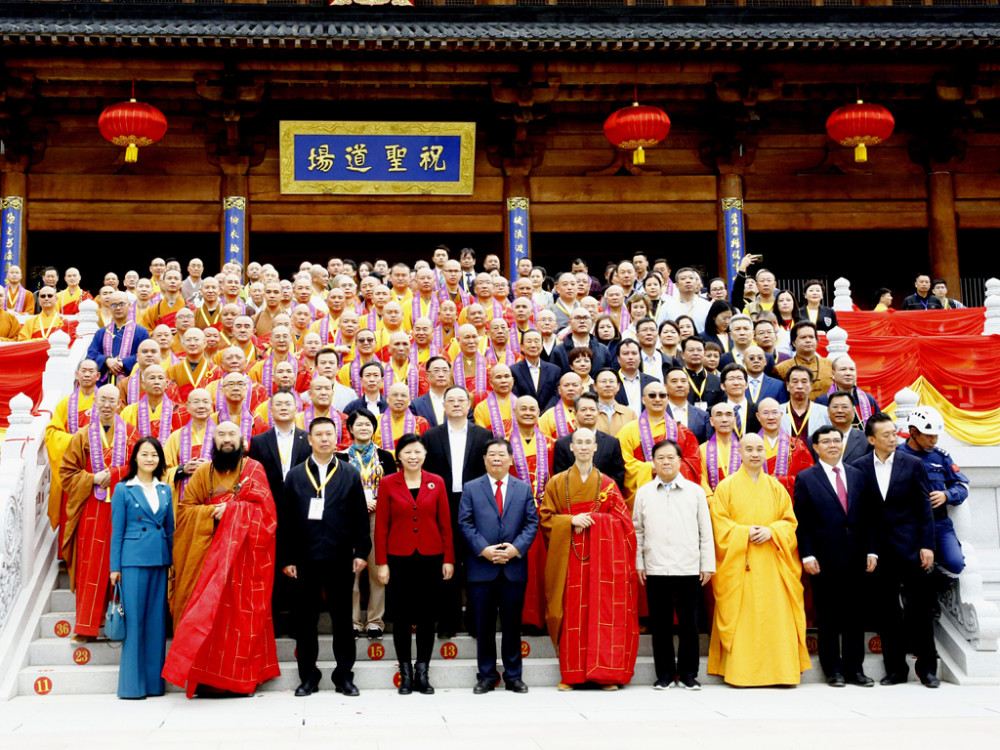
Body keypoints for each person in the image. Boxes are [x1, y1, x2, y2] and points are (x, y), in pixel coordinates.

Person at [163, 422, 280, 697]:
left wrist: (232, 509)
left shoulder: (254, 470)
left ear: (243, 441)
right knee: (208, 619)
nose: (227, 440)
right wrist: (211, 513)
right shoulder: (204, 472)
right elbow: (185, 511)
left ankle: (239, 681)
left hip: (243, 559)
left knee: (241, 620)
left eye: (232, 435)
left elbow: (267, 515)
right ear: (213, 441)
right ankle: (206, 679)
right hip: (207, 559)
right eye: (222, 435)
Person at [278, 417, 372, 697]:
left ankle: (344, 675)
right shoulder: (295, 475)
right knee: (305, 621)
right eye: (318, 434)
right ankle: (308, 676)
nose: (323, 439)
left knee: (343, 620)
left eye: (328, 434)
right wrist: (287, 558)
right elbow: (286, 520)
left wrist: (361, 552)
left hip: (339, 556)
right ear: (309, 440)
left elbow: (359, 517)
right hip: (304, 559)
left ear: (336, 437)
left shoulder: (348, 473)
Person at [708, 433, 811, 686]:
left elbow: (790, 523)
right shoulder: (726, 487)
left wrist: (772, 531)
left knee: (775, 617)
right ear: (739, 453)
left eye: (759, 449)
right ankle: (741, 673)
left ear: (765, 453)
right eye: (749, 449)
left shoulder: (776, 487)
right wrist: (744, 532)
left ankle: (781, 672)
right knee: (744, 618)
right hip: (740, 564)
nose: (755, 454)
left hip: (773, 563)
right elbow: (719, 525)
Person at [539, 428, 639, 690]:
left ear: (595, 447)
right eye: (578, 443)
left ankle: (605, 674)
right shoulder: (557, 482)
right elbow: (545, 518)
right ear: (571, 447)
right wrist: (570, 520)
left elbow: (624, 523)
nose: (583, 447)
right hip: (568, 557)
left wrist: (597, 521)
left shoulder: (607, 484)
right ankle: (571, 675)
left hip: (603, 562)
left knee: (601, 612)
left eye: (588, 443)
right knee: (571, 613)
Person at [851, 413, 939, 687]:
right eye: (886, 435)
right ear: (871, 439)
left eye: (894, 433)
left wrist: (927, 545)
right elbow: (861, 514)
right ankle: (896, 670)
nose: (893, 438)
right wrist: (868, 550)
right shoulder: (859, 467)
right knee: (887, 613)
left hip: (911, 546)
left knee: (920, 610)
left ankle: (927, 670)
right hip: (879, 552)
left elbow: (924, 508)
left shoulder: (912, 464)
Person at [794, 425, 878, 688]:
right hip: (824, 557)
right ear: (815, 447)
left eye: (836, 440)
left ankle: (856, 669)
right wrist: (807, 554)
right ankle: (833, 670)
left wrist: (872, 549)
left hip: (856, 555)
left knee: (855, 615)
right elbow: (802, 521)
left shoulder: (859, 475)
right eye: (826, 441)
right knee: (828, 616)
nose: (832, 445)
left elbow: (869, 517)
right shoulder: (806, 478)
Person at [375, 433, 455, 695]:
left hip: (431, 558)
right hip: (399, 559)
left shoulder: (436, 482)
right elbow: (381, 527)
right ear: (398, 456)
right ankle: (406, 672)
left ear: (424, 455)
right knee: (401, 619)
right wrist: (382, 563)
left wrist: (449, 559)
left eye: (418, 451)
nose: (413, 456)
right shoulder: (388, 483)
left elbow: (445, 523)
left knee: (427, 618)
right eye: (408, 452)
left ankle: (423, 671)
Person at [58, 384, 138, 642]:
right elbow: (66, 473)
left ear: (119, 404)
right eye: (102, 399)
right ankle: (86, 626)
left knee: (122, 565)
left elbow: (143, 465)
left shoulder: (132, 434)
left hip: (124, 508)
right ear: (96, 403)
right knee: (90, 566)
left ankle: (121, 623)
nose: (106, 404)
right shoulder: (82, 436)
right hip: (92, 508)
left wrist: (114, 475)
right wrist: (93, 479)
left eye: (111, 400)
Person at [633, 439, 715, 690]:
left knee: (690, 624)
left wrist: (707, 564)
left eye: (671, 457)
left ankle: (689, 674)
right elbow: (637, 530)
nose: (666, 461)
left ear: (680, 461)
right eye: (661, 457)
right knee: (661, 624)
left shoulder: (695, 491)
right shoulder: (644, 493)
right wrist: (639, 562)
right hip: (656, 567)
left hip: (688, 567)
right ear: (653, 463)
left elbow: (705, 530)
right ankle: (665, 674)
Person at [459, 438, 539, 694]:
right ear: (484, 459)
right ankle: (486, 675)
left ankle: (513, 676)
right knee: (483, 625)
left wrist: (516, 549)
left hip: (513, 566)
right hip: (481, 567)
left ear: (511, 459)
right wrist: (484, 549)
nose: (496, 458)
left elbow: (531, 523)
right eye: (491, 454)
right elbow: (465, 523)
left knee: (512, 624)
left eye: (501, 454)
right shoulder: (471, 488)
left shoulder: (523, 489)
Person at [422, 385, 493, 636]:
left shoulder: (484, 436)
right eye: (450, 400)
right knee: (446, 563)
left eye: (461, 400)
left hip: (476, 506)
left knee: (475, 562)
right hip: (442, 505)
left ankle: (476, 622)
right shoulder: (430, 437)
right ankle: (448, 622)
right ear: (443, 405)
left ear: (469, 405)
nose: (455, 404)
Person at [109, 437, 174, 699]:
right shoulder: (124, 489)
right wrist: (115, 567)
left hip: (159, 560)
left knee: (156, 623)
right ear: (135, 458)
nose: (149, 459)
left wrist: (171, 561)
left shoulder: (164, 489)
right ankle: (132, 687)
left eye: (154, 455)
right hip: (133, 560)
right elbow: (117, 531)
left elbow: (169, 529)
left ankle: (153, 684)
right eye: (144, 454)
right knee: (134, 622)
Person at [337, 409, 397, 639]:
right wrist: (360, 500)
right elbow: (337, 490)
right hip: (347, 519)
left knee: (376, 568)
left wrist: (376, 501)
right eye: (359, 424)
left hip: (377, 517)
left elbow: (393, 488)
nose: (364, 428)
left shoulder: (386, 457)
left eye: (368, 424)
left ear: (374, 428)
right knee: (351, 570)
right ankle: (351, 621)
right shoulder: (340, 458)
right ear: (350, 429)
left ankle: (375, 621)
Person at [897, 406, 968, 576]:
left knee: (955, 564)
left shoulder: (941, 457)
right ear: (913, 432)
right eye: (929, 435)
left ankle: (937, 586)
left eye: (936, 436)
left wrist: (947, 495)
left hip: (939, 524)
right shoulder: (896, 455)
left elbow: (962, 486)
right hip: (907, 525)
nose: (934, 440)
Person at [618, 380, 702, 502]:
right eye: (652, 395)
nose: (657, 399)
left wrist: (668, 468)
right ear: (643, 399)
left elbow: (693, 463)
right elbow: (623, 463)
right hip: (644, 496)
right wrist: (650, 468)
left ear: (667, 399)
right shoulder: (628, 430)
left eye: (662, 396)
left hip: (676, 494)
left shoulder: (683, 432)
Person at [552, 393, 626, 493]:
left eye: (592, 409)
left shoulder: (612, 442)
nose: (588, 413)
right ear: (575, 413)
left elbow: (618, 476)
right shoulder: (562, 444)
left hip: (604, 499)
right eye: (583, 410)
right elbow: (560, 477)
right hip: (572, 500)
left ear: (599, 413)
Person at [87, 291, 150, 385]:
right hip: (104, 384)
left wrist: (124, 363)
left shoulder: (141, 332)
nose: (118, 308)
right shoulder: (101, 333)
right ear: (109, 307)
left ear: (129, 305)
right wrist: (106, 360)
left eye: (121, 304)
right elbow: (91, 354)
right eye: (114, 305)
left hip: (132, 384)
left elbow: (146, 355)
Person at [756, 397, 815, 496]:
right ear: (758, 417)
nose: (771, 417)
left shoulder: (797, 446)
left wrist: (780, 481)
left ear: (781, 415)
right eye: (765, 413)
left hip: (789, 503)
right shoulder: (749, 446)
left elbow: (809, 478)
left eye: (775, 412)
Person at [814, 356, 880, 429]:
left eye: (852, 369)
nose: (848, 373)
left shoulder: (869, 400)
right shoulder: (823, 401)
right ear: (833, 374)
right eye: (843, 369)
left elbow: (878, 428)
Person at [774, 322, 833, 399]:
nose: (808, 340)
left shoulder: (831, 365)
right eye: (803, 337)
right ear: (794, 342)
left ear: (817, 340)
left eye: (811, 337)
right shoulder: (781, 369)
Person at [510, 329, 562, 411]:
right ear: (522, 347)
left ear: (542, 346)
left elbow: (556, 396)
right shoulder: (513, 371)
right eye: (529, 341)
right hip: (524, 416)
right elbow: (515, 397)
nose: (533, 345)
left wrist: (542, 416)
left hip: (548, 418)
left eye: (537, 341)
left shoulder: (555, 370)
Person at [699, 403, 740, 500]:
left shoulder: (744, 448)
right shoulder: (701, 450)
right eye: (719, 415)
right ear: (712, 421)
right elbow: (701, 479)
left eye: (728, 414)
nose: (724, 419)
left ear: (734, 421)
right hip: (713, 505)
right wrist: (711, 500)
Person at [780, 365, 831, 441]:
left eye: (804, 382)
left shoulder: (824, 413)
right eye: (795, 381)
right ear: (787, 386)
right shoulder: (777, 411)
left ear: (811, 386)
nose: (799, 386)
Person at [821, 390, 872, 464]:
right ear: (828, 412)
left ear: (853, 412)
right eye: (835, 407)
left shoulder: (866, 439)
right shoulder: (815, 439)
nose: (839, 411)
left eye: (844, 407)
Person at [665, 366, 712, 443]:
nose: (679, 385)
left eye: (683, 381)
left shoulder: (703, 416)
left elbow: (707, 445)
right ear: (665, 387)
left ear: (688, 386)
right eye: (674, 381)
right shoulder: (659, 413)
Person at [593, 367, 636, 436]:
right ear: (595, 386)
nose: (608, 385)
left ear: (618, 386)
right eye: (603, 381)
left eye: (611, 381)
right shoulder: (588, 412)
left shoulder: (630, 414)